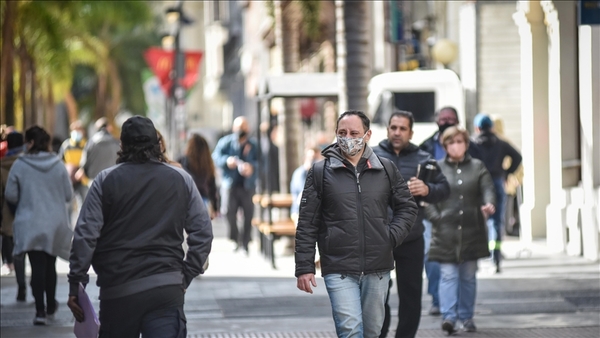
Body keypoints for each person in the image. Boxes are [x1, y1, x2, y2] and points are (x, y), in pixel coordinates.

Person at [67, 115, 213, 338]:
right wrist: (186, 274)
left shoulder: (105, 181)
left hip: (118, 292)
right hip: (166, 291)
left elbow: (85, 235)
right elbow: (203, 233)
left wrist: (77, 283)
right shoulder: (181, 179)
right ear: (157, 144)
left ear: (122, 145)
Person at [295, 110, 418, 337]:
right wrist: (304, 266)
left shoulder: (385, 168)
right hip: (338, 266)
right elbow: (307, 222)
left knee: (372, 331)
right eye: (342, 132)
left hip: (377, 267)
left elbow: (407, 207)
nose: (348, 137)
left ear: (367, 135)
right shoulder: (321, 172)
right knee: (350, 329)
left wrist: (389, 237)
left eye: (354, 132)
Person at [374, 110, 450, 338]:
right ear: (387, 129)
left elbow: (444, 189)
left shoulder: (424, 159)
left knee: (411, 295)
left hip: (411, 236)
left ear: (411, 132)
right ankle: (379, 333)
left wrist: (427, 190)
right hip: (379, 237)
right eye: (393, 127)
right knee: (377, 295)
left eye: (402, 128)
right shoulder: (371, 156)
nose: (397, 132)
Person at [424, 126, 495, 335]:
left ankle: (466, 317)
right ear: (445, 146)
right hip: (445, 232)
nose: (456, 146)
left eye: (459, 141)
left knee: (468, 276)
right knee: (447, 275)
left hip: (472, 230)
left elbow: (488, 188)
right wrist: (436, 217)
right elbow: (426, 196)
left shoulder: (477, 166)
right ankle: (449, 317)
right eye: (451, 142)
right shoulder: (436, 168)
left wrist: (489, 204)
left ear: (466, 144)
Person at [4, 126, 74, 325]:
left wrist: (25, 201)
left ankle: (40, 311)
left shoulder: (20, 165)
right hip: (54, 223)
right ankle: (51, 304)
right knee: (50, 265)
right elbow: (69, 195)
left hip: (31, 222)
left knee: (36, 267)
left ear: (31, 142)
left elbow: (10, 194)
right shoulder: (58, 164)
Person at [418, 106, 479, 316]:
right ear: (436, 121)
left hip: (464, 213)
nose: (446, 121)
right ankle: (438, 299)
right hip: (433, 211)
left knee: (464, 262)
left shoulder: (472, 147)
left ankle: (460, 307)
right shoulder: (425, 146)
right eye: (442, 118)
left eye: (450, 118)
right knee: (432, 256)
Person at [472, 114, 522, 273]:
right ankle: (496, 259)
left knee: (477, 221)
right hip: (497, 183)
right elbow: (518, 156)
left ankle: (477, 259)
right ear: (491, 127)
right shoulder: (501, 143)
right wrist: (507, 173)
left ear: (477, 128)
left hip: (478, 185)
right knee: (496, 222)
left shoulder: (473, 144)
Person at [212, 116, 258, 254]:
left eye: (244, 127)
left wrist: (251, 167)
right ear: (234, 128)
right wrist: (227, 161)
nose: (241, 130)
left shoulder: (253, 145)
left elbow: (261, 162)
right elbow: (216, 157)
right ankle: (235, 238)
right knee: (228, 212)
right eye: (239, 127)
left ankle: (245, 242)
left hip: (247, 185)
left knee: (248, 214)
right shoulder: (226, 143)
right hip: (230, 184)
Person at [0, 131, 28, 301]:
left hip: (9, 216)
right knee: (31, 250)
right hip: (30, 212)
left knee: (18, 253)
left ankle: (21, 286)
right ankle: (36, 286)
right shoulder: (28, 163)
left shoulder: (2, 166)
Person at [178, 133, 220, 220]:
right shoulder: (207, 164)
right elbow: (212, 187)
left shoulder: (182, 161)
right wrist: (215, 207)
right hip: (202, 201)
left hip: (185, 200)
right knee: (201, 230)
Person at [59, 120, 89, 224]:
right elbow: (61, 162)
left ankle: (81, 228)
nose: (76, 132)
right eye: (74, 130)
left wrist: (82, 171)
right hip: (69, 179)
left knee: (84, 206)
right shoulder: (66, 145)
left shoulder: (87, 145)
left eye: (79, 130)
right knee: (68, 207)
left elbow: (89, 161)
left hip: (83, 179)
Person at [76, 117, 120, 185]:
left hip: (94, 182)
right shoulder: (116, 143)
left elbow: (83, 165)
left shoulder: (90, 143)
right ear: (109, 127)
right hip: (112, 182)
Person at [290, 145, 322, 223]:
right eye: (312, 158)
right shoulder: (300, 173)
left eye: (316, 159)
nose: (314, 161)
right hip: (300, 212)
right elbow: (304, 195)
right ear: (305, 159)